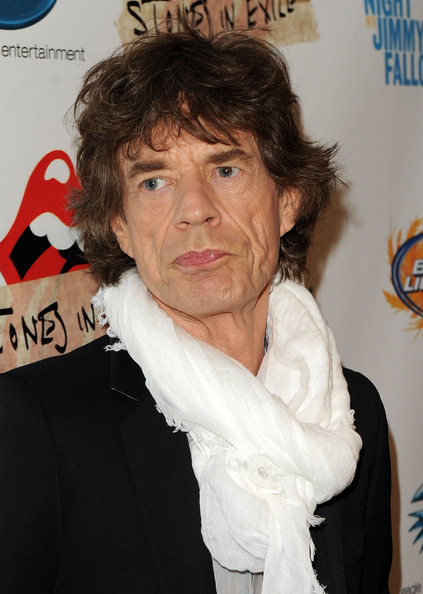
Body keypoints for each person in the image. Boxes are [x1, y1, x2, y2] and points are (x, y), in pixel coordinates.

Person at [0, 21, 391, 594]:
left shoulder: (351, 412)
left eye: (225, 170)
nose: (194, 209)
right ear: (121, 226)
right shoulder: (41, 424)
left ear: (287, 201)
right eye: (154, 182)